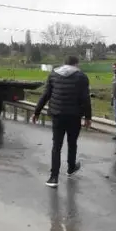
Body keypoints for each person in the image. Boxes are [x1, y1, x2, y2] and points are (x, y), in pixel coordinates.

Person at [33, 56, 92, 188]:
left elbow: (46, 95)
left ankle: (54, 177)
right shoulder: (81, 76)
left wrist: (37, 112)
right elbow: (85, 99)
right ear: (76, 64)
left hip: (57, 115)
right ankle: (71, 167)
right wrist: (88, 117)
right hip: (74, 116)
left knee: (57, 146)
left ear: (64, 63)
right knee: (72, 143)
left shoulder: (53, 74)